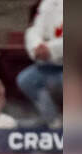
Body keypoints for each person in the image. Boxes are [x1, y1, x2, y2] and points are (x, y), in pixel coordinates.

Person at [17, 0, 63, 128]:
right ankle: (53, 122)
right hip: (50, 64)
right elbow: (34, 30)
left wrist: (51, 49)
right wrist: (37, 47)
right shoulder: (49, 3)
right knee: (27, 80)